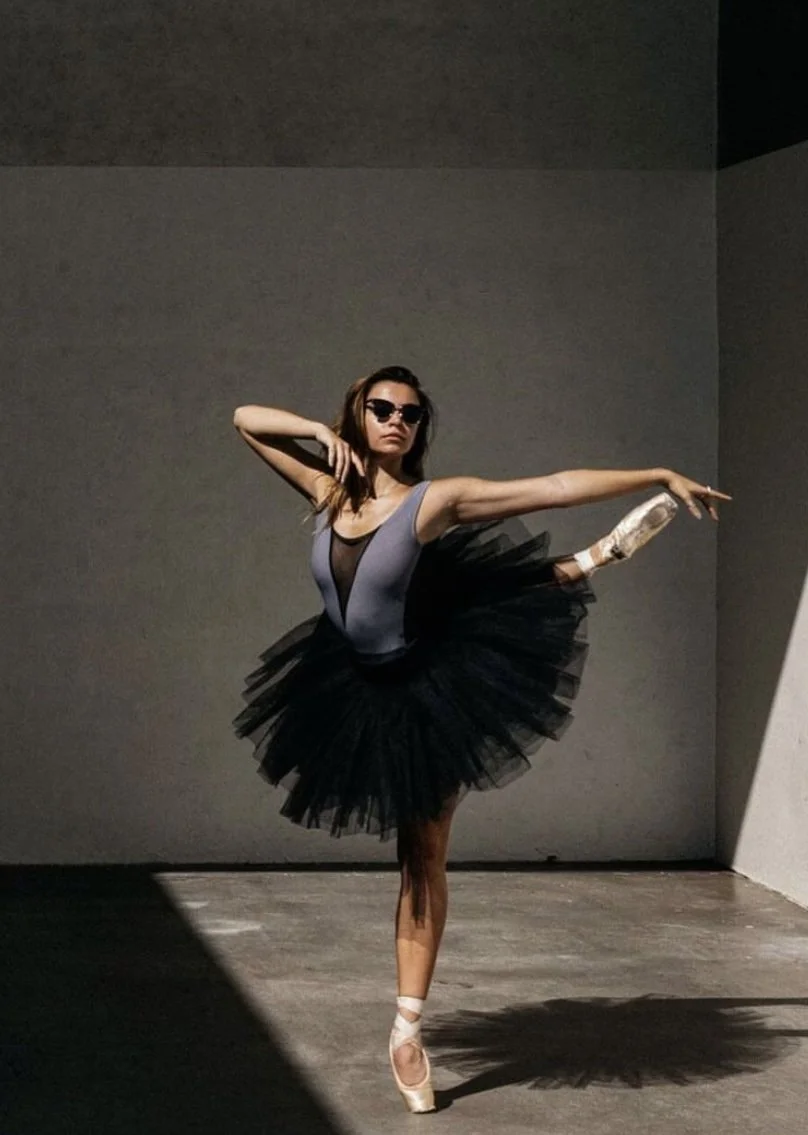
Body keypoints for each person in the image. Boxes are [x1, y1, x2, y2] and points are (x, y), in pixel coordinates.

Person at [232, 364, 729, 1112]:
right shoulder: (327, 489)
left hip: (427, 690)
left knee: (420, 853)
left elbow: (554, 485)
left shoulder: (436, 499)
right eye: (381, 408)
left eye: (411, 413)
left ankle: (406, 1029)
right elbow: (243, 418)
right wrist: (312, 431)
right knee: (464, 597)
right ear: (358, 414)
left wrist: (654, 472)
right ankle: (580, 564)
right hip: (349, 681)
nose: (397, 420)